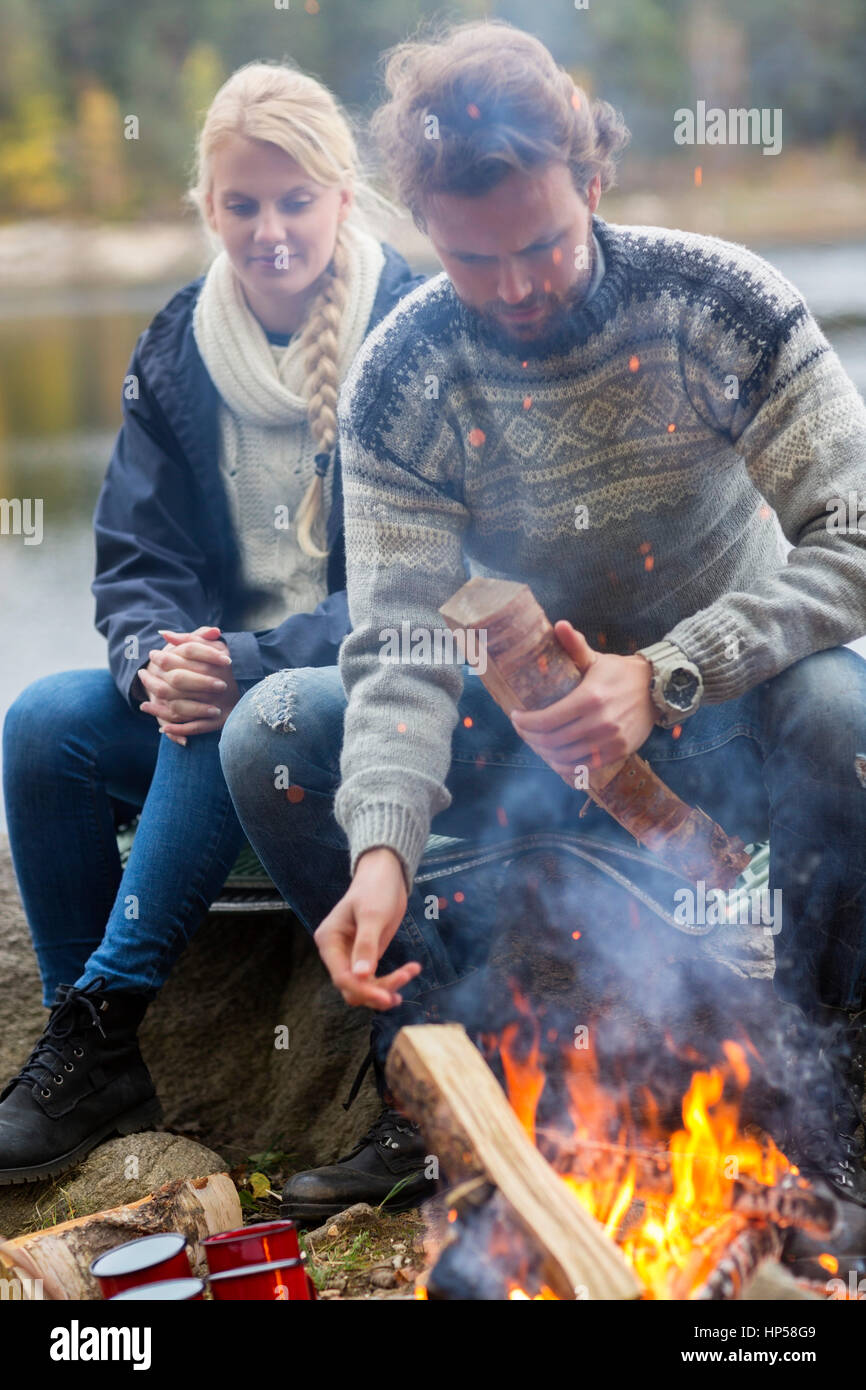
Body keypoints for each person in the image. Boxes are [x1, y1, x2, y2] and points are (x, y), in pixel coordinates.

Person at [221, 20, 866, 1226]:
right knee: (274, 734)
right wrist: (378, 847)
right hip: (518, 751)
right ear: (421, 223)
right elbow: (401, 650)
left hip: (723, 720)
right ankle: (445, 1105)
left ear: (594, 178)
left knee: (845, 709)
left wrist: (665, 671)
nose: (513, 288)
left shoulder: (717, 304)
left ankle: (805, 1103)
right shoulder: (399, 378)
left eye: (543, 244)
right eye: (471, 261)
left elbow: (856, 538)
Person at [0, 60, 423, 1186]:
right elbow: (136, 562)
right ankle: (95, 1054)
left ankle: (99, 1013)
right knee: (44, 722)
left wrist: (242, 662)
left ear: (341, 196)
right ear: (207, 206)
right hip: (219, 708)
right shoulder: (179, 342)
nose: (269, 230)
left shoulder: (415, 330)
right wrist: (152, 659)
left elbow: (415, 589)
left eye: (294, 200)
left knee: (240, 712)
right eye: (242, 204)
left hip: (360, 713)